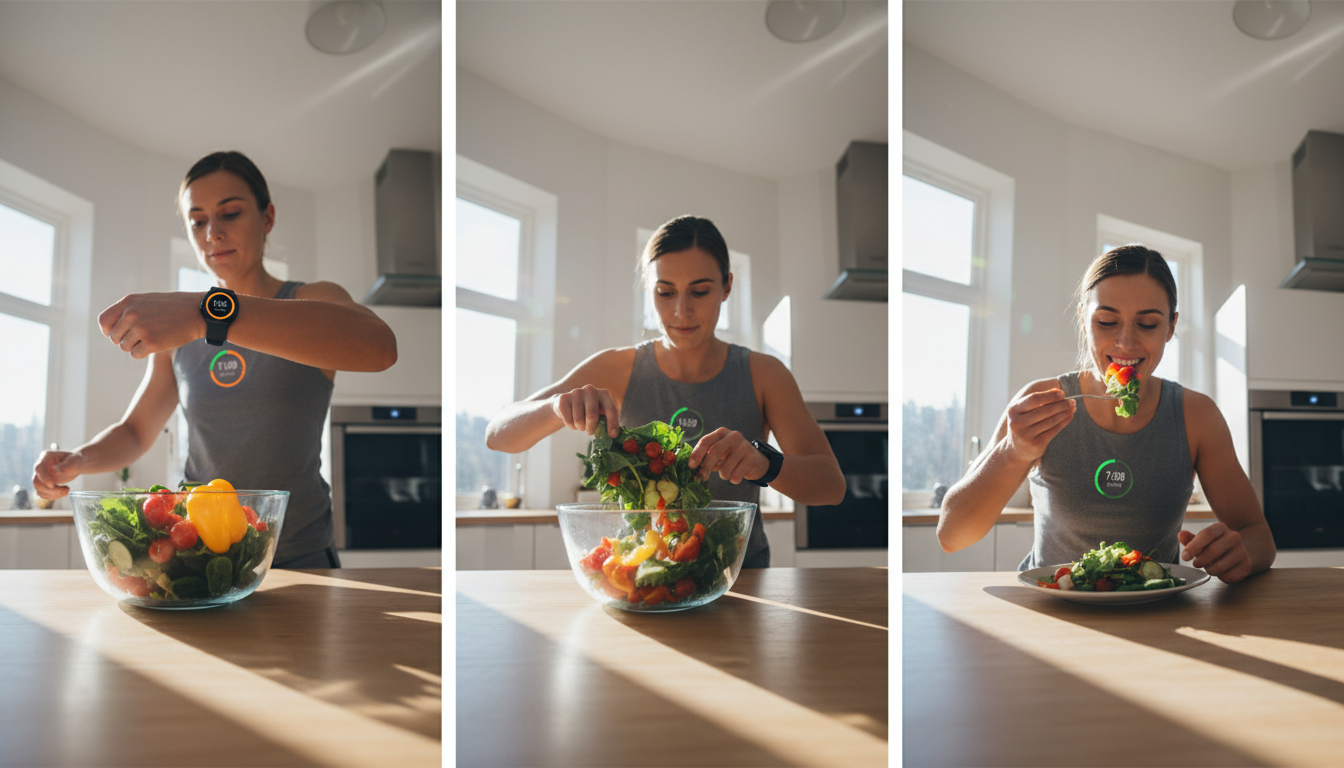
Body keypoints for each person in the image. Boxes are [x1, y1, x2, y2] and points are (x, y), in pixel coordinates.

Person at [31, 150, 398, 568]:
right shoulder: (181, 333)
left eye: (230, 214)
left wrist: (207, 314)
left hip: (297, 553)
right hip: (200, 554)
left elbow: (380, 347)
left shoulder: (309, 300)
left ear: (267, 218)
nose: (212, 233)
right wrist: (78, 459)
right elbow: (135, 431)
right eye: (198, 220)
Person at [485, 215, 846, 567]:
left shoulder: (764, 374)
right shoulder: (618, 367)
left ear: (727, 287)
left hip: (739, 578)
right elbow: (498, 435)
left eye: (700, 291)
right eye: (665, 292)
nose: (681, 311)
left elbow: (832, 486)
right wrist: (554, 407)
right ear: (649, 290)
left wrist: (763, 463)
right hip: (643, 576)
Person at [938, 244, 1275, 583]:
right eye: (1107, 321)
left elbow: (1258, 536)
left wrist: (1240, 552)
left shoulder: (1196, 415)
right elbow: (952, 536)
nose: (1126, 343)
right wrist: (1014, 452)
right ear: (1084, 320)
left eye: (1147, 324)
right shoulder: (1041, 401)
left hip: (1157, 612)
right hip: (1054, 614)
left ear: (1171, 327)